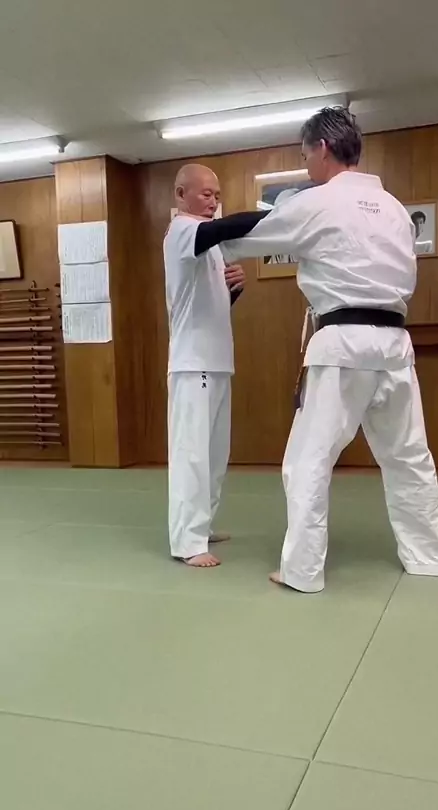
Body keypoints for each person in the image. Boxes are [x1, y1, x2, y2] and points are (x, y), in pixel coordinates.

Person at [194, 107, 438, 593]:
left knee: (308, 459)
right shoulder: (395, 208)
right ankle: (429, 558)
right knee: (409, 458)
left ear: (323, 148)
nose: (306, 163)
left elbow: (247, 237)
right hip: (395, 345)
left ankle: (303, 571)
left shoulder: (318, 202)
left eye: (305, 154)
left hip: (342, 344)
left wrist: (195, 233)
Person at [163, 164, 246, 567]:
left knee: (214, 456)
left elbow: (207, 304)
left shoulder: (209, 245)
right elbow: (225, 228)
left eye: (217, 195)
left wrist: (233, 291)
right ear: (182, 194)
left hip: (217, 362)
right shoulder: (182, 230)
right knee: (192, 455)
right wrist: (279, 215)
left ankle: (203, 524)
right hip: (191, 361)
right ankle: (187, 541)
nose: (213, 201)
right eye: (206, 194)